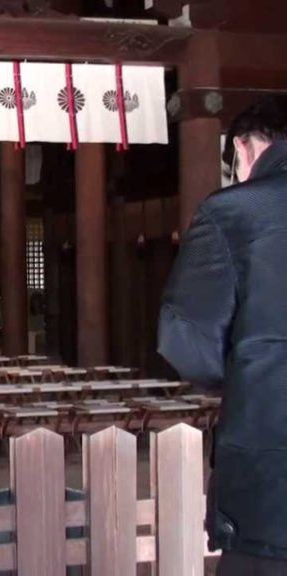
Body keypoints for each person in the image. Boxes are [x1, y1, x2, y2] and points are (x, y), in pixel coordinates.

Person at [158, 96, 287, 575]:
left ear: (243, 147)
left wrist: (244, 373)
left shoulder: (235, 211)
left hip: (268, 461)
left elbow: (184, 338)